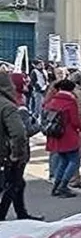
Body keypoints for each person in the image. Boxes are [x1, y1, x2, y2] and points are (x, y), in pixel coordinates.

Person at [0, 72, 39, 220]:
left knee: (17, 183)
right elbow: (19, 133)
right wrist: (17, 154)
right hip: (5, 155)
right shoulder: (8, 106)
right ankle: (3, 216)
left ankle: (21, 213)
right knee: (12, 184)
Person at [43, 79, 81, 198]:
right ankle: (63, 186)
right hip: (68, 135)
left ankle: (56, 185)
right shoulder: (71, 101)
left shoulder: (53, 100)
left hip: (56, 135)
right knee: (74, 160)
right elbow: (75, 121)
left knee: (62, 161)